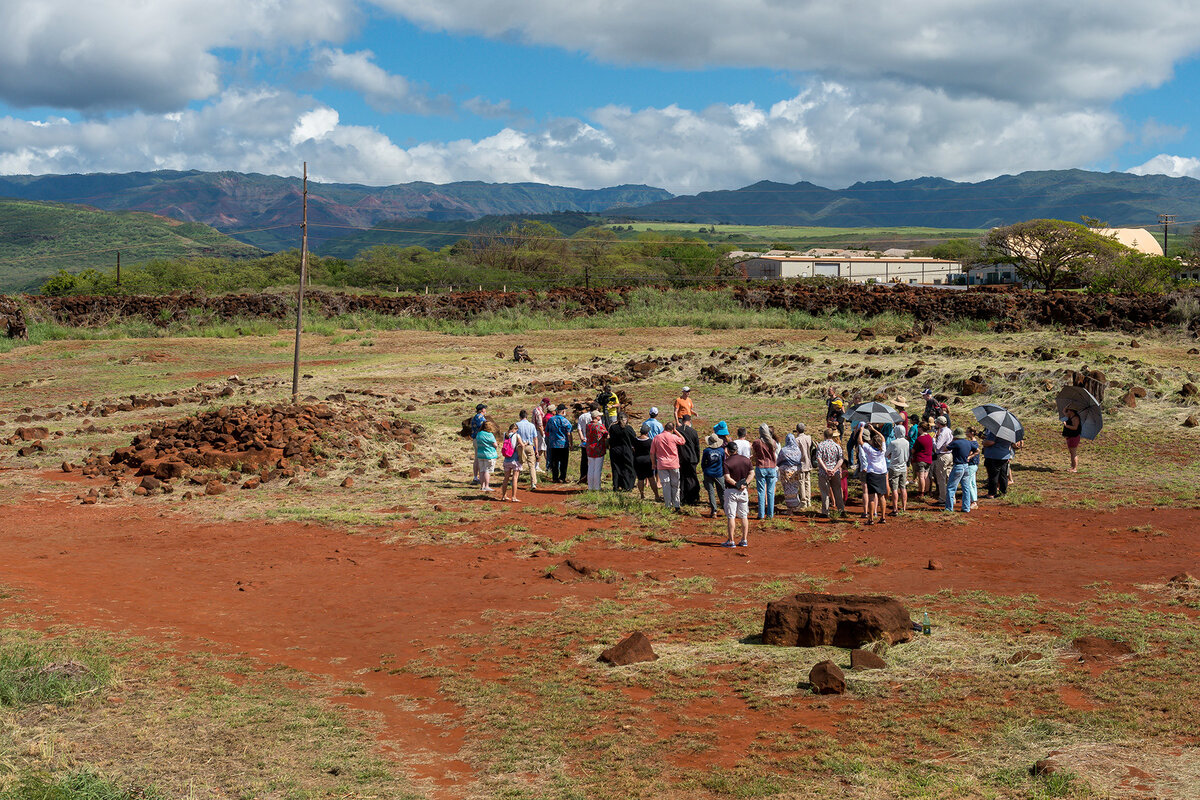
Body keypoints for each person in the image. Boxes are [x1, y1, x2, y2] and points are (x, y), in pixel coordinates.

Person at [721, 441, 752, 547]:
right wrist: (745, 483)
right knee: (744, 515)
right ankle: (744, 539)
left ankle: (731, 541)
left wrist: (736, 484)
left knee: (731, 516)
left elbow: (727, 477)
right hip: (743, 491)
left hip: (731, 491)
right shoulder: (746, 460)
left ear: (728, 451)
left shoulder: (727, 462)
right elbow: (751, 473)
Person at [650, 421, 686, 511]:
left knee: (666, 485)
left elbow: (652, 452)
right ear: (672, 429)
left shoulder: (657, 438)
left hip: (662, 464)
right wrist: (676, 431)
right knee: (675, 485)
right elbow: (683, 440)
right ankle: (676, 504)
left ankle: (668, 504)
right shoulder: (673, 437)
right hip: (673, 464)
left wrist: (653, 463)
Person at [858, 428, 889, 524]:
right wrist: (874, 430)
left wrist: (861, 430)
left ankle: (871, 519)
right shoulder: (883, 449)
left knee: (871, 497)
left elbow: (860, 441)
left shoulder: (870, 449)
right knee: (881, 496)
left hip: (872, 474)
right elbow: (883, 438)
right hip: (882, 474)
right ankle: (883, 517)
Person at [945, 428, 978, 513]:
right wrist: (969, 457)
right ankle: (966, 508)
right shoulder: (968, 442)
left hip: (958, 466)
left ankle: (949, 508)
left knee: (951, 488)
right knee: (966, 487)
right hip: (966, 466)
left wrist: (952, 440)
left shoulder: (955, 443)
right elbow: (977, 450)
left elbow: (946, 448)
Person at [751, 424, 779, 520]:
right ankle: (770, 514)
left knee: (761, 492)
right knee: (771, 492)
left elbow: (754, 454)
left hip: (761, 467)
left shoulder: (757, 442)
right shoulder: (773, 442)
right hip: (771, 467)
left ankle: (761, 514)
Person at [815, 429, 845, 517]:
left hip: (823, 472)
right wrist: (835, 469)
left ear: (824, 435)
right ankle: (841, 510)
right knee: (837, 491)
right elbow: (841, 459)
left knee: (825, 492)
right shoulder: (837, 446)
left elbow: (819, 458)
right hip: (835, 472)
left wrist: (825, 469)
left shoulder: (821, 446)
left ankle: (825, 512)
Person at [607, 412, 637, 492]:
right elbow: (634, 438)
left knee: (616, 468)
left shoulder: (613, 427)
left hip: (615, 450)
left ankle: (616, 486)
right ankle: (627, 486)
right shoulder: (628, 428)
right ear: (626, 419)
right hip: (626, 450)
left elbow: (610, 438)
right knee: (628, 468)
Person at [776, 433, 806, 514]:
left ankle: (790, 509)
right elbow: (799, 460)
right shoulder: (797, 450)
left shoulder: (784, 450)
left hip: (785, 472)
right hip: (795, 471)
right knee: (794, 489)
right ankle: (795, 507)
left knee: (787, 490)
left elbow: (778, 460)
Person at [982, 429, 1014, 498]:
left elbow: (991, 442)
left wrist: (984, 442)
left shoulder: (995, 431)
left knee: (993, 475)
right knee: (1003, 475)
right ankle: (1003, 492)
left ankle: (991, 493)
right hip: (1004, 455)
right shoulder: (1010, 432)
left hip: (994, 455)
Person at [545, 404, 573, 483]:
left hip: (553, 443)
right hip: (563, 444)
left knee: (554, 461)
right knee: (564, 462)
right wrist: (571, 444)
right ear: (563, 411)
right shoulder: (565, 421)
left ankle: (555, 477)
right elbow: (569, 433)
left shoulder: (551, 420)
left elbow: (547, 430)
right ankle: (562, 477)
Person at [677, 414, 702, 506]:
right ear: (689, 421)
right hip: (692, 458)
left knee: (682, 477)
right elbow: (697, 447)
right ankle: (693, 497)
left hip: (681, 458)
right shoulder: (693, 431)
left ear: (682, 420)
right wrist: (697, 459)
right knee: (692, 478)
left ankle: (682, 497)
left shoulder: (677, 431)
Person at [886, 424, 910, 514]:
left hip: (894, 467)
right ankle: (904, 508)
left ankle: (895, 509)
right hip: (903, 467)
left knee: (894, 489)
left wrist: (890, 456)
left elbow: (886, 453)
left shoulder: (893, 443)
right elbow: (907, 456)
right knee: (903, 488)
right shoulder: (906, 442)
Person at [701, 433, 726, 517]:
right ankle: (725, 508)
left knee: (711, 492)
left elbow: (703, 463)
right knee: (721, 492)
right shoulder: (721, 451)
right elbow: (723, 462)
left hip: (708, 473)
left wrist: (705, 470)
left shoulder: (706, 451)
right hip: (719, 473)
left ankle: (714, 510)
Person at [633, 422, 659, 501]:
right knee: (651, 478)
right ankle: (656, 495)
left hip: (638, 460)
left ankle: (642, 495)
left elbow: (633, 449)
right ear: (647, 432)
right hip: (648, 461)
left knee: (640, 479)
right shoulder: (650, 441)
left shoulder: (635, 440)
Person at [931, 416, 953, 504]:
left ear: (939, 424)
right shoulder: (949, 430)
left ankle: (943, 499)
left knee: (941, 478)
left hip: (943, 456)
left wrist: (933, 439)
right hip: (949, 455)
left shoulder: (943, 432)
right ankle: (951, 498)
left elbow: (937, 446)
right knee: (948, 478)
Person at [499, 423, 524, 502]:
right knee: (515, 478)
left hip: (507, 459)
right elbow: (522, 445)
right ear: (515, 429)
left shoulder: (505, 435)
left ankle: (504, 496)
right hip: (515, 459)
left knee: (506, 478)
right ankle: (513, 497)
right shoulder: (516, 435)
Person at [516, 410, 539, 491]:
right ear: (526, 416)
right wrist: (536, 449)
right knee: (531, 465)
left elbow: (515, 437)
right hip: (529, 446)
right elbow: (535, 438)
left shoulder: (517, 425)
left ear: (520, 416)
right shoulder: (531, 425)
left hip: (520, 446)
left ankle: (514, 481)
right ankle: (533, 483)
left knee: (518, 464)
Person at [585, 411, 608, 490]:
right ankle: (597, 487)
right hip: (598, 449)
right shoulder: (600, 426)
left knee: (591, 467)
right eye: (599, 416)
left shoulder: (588, 425)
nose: (600, 417)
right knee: (597, 468)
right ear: (596, 417)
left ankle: (590, 487)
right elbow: (606, 435)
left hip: (589, 448)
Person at [474, 420, 499, 494]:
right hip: (489, 455)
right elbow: (495, 445)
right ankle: (487, 486)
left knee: (481, 470)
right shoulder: (490, 435)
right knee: (487, 471)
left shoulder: (479, 434)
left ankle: (482, 486)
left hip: (480, 454)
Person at [793, 423, 814, 508]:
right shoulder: (809, 438)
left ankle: (803, 501)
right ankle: (808, 500)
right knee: (807, 482)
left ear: (797, 430)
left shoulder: (797, 440)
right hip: (808, 462)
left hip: (801, 463)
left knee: (801, 482)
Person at [912, 421, 934, 498]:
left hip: (920, 459)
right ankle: (927, 491)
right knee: (926, 476)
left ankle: (921, 492)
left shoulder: (919, 439)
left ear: (921, 428)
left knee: (921, 477)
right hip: (928, 459)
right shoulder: (929, 437)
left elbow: (913, 450)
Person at [469, 402, 488, 484]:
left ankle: (476, 477)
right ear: (482, 410)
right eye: (484, 408)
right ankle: (481, 477)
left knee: (477, 458)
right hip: (480, 439)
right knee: (481, 458)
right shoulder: (480, 417)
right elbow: (484, 428)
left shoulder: (475, 417)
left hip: (476, 439)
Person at [576, 403, 595, 484]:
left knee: (584, 460)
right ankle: (591, 478)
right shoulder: (596, 417)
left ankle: (583, 477)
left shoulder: (582, 416)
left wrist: (582, 438)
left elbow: (579, 428)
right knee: (593, 461)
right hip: (593, 442)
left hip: (584, 441)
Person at [531, 398, 551, 475]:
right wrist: (543, 435)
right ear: (544, 404)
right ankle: (537, 466)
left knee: (544, 449)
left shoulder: (537, 410)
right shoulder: (539, 412)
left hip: (537, 431)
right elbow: (540, 425)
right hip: (539, 432)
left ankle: (547, 465)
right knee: (541, 449)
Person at [965, 427, 981, 507]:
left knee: (969, 482)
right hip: (974, 464)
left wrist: (969, 457)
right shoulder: (974, 442)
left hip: (971, 464)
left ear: (971, 433)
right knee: (973, 482)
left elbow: (973, 452)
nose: (966, 433)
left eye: (967, 432)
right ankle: (974, 499)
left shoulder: (973, 443)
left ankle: (973, 501)